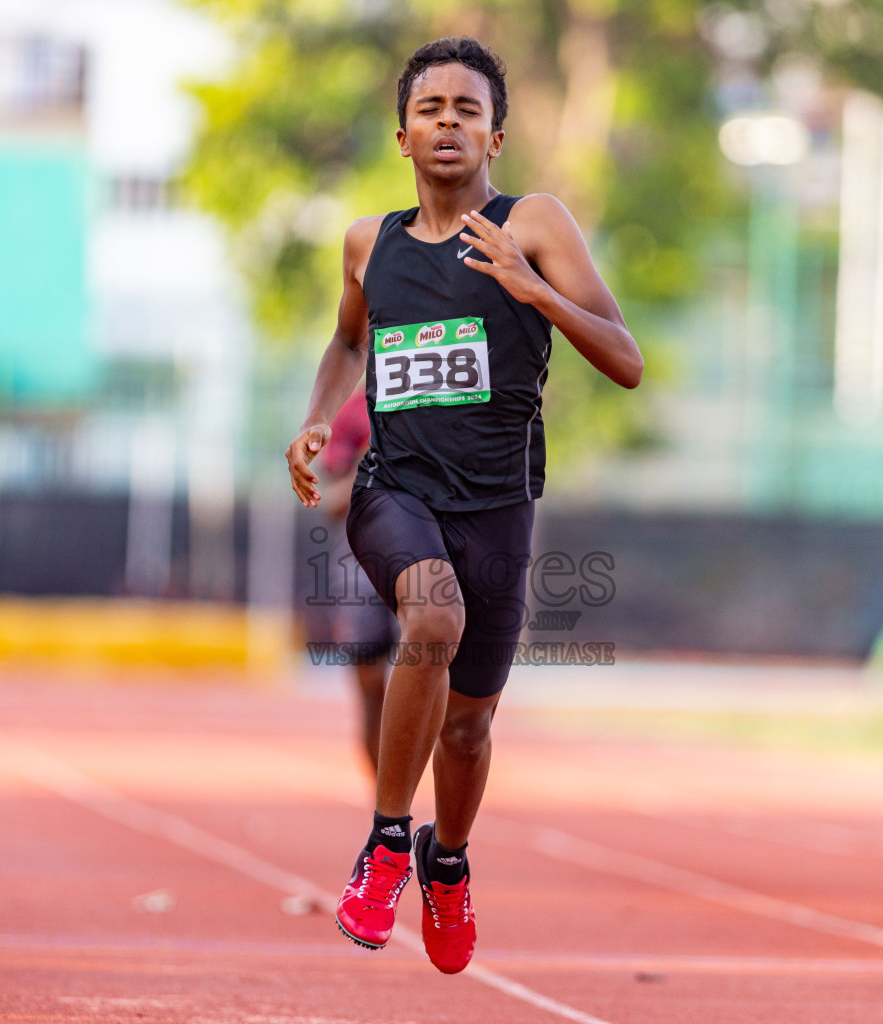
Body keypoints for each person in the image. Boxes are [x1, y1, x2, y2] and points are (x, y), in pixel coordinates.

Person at [284, 37, 641, 974]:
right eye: (432, 107)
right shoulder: (371, 242)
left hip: (499, 506)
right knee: (430, 613)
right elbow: (347, 343)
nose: (449, 121)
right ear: (403, 134)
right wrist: (320, 421)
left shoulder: (536, 225)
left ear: (496, 135)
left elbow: (626, 359)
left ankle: (449, 862)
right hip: (395, 492)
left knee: (472, 726)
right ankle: (388, 841)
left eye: (468, 109)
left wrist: (532, 290)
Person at [320, 390, 400, 773]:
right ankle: (385, 812)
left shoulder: (441, 396)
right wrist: (377, 460)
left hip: (431, 556)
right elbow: (331, 502)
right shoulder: (350, 413)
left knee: (430, 680)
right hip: (361, 561)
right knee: (371, 694)